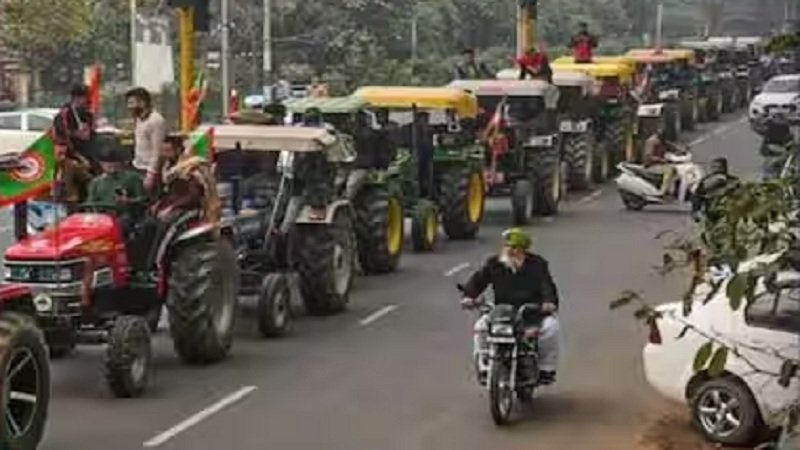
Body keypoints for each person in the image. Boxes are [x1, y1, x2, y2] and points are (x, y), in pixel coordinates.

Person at [460, 228, 560, 385]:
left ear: (523, 250)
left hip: (530, 312)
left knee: (551, 327)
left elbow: (546, 285)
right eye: (507, 247)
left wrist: (549, 302)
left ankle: (545, 368)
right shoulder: (494, 263)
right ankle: (484, 365)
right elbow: (478, 281)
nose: (510, 251)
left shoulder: (537, 264)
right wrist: (468, 296)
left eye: (515, 248)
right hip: (501, 313)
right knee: (480, 327)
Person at [85, 135, 146, 228]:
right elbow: (90, 203)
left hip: (125, 216)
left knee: (122, 222)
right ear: (101, 164)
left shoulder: (132, 178)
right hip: (101, 217)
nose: (112, 168)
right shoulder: (96, 182)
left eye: (115, 165)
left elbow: (143, 199)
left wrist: (128, 201)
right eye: (108, 165)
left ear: (120, 163)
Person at [126, 87, 167, 193]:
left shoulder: (156, 120)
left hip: (149, 170)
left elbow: (157, 151)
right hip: (137, 166)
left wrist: (151, 174)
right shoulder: (138, 119)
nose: (129, 107)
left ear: (142, 102)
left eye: (131, 103)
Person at [691, 157, 740, 222]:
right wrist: (695, 211)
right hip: (710, 211)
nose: (715, 169)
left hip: (727, 212)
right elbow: (697, 195)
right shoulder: (706, 180)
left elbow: (739, 195)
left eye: (718, 167)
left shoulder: (733, 180)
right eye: (713, 167)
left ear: (724, 168)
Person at [642, 129, 682, 196]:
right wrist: (662, 160)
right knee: (669, 170)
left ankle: (671, 190)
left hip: (660, 165)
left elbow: (672, 147)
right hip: (651, 166)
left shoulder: (662, 141)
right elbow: (648, 156)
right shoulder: (652, 142)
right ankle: (662, 192)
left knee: (676, 168)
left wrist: (681, 150)